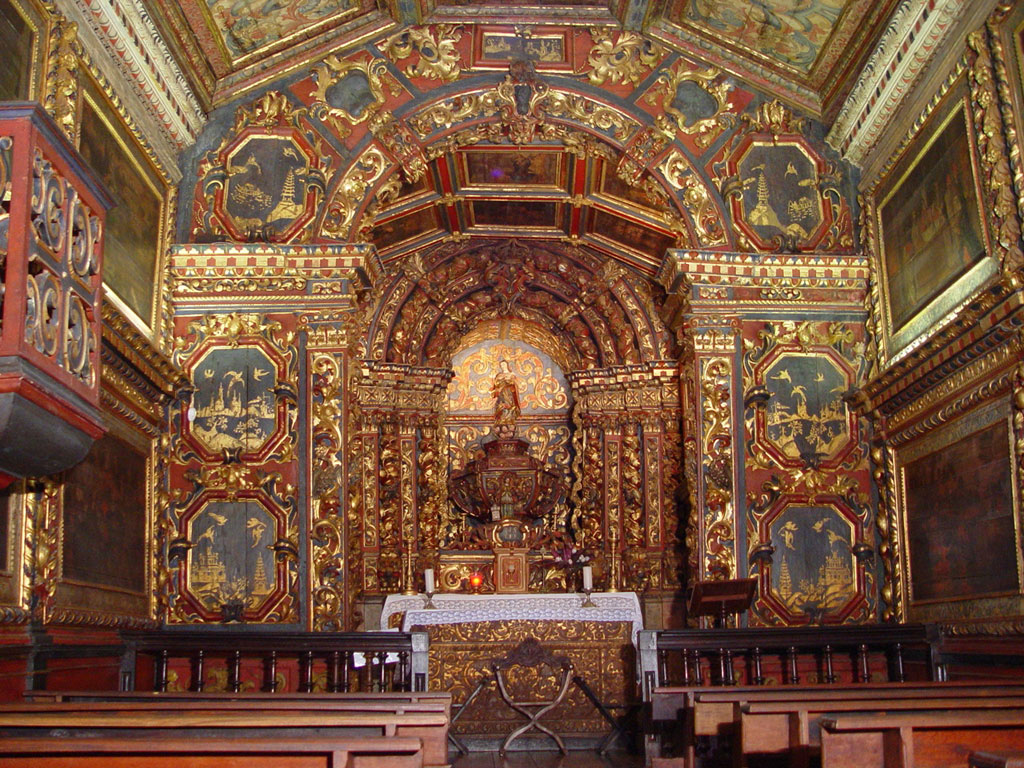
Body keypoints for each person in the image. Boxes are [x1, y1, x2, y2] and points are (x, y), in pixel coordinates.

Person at [492, 360, 521, 438]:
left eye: (504, 364)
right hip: (501, 394)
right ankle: (501, 421)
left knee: (510, 406)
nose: (503, 366)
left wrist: (509, 382)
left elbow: (515, 386)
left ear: (507, 365)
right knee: (501, 406)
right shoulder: (499, 375)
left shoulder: (511, 374)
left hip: (509, 394)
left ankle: (510, 420)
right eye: (501, 365)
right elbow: (495, 386)